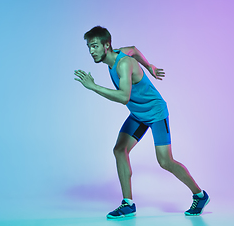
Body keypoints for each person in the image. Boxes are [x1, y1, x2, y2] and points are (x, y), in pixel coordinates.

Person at [74, 26, 209, 218]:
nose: (91, 51)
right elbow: (135, 49)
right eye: (89, 47)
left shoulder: (123, 64)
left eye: (95, 46)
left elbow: (123, 97)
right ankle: (128, 204)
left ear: (107, 45)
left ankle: (200, 195)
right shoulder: (119, 53)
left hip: (155, 113)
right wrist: (149, 66)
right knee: (119, 150)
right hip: (138, 115)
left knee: (165, 161)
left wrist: (93, 86)